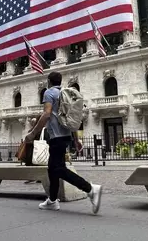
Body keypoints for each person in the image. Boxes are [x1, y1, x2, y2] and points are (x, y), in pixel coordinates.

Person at [25, 71, 102, 213]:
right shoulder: (65, 94)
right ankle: (52, 201)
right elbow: (70, 118)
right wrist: (76, 139)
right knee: (52, 169)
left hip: (56, 137)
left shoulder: (49, 93)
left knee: (58, 169)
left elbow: (46, 114)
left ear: (49, 81)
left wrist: (32, 133)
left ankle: (90, 189)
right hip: (65, 136)